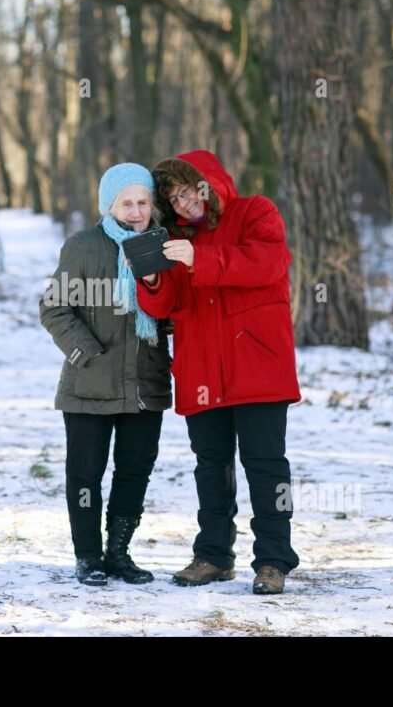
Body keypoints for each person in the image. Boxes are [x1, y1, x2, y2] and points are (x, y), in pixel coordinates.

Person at [135, 150, 302, 594]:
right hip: (201, 368)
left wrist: (199, 259)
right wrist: (151, 279)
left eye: (187, 190)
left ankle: (272, 560)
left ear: (207, 183)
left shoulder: (255, 212)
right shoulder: (173, 236)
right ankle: (212, 555)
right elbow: (164, 304)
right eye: (173, 197)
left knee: (265, 466)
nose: (184, 203)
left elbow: (267, 264)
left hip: (257, 365)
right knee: (211, 466)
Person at [39, 163, 172, 586]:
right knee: (85, 474)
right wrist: (87, 353)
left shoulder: (166, 247)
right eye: (126, 203)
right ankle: (88, 557)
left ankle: (118, 553)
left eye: (143, 202)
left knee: (135, 471)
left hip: (145, 384)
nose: (135, 212)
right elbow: (55, 307)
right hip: (88, 382)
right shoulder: (83, 247)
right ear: (109, 205)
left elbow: (174, 311)